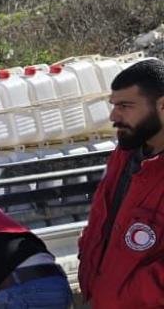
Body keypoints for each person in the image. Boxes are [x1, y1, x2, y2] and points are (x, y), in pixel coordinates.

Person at [78, 58, 164, 308]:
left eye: (125, 106)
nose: (113, 115)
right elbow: (101, 222)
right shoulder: (125, 154)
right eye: (114, 105)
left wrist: (124, 298)